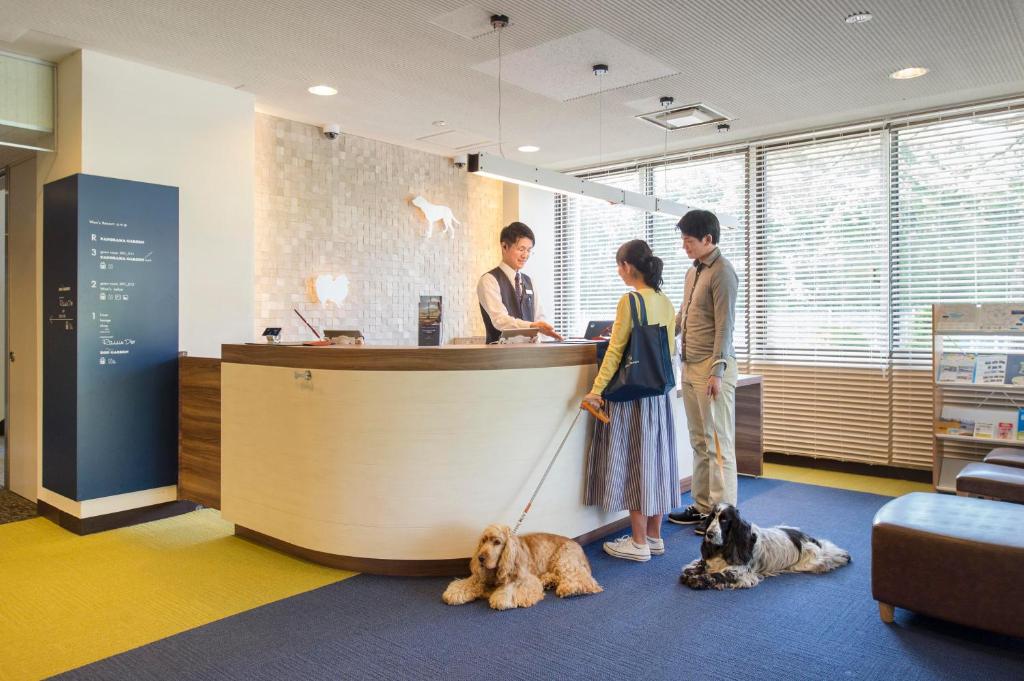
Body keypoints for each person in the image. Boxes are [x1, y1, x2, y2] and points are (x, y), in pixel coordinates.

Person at [582, 240, 679, 562]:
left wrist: (596, 390)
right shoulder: (664, 300)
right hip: (659, 394)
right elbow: (670, 348)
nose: (618, 271)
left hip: (633, 396)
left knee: (636, 461)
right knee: (656, 460)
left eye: (618, 265)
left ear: (626, 266)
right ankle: (654, 536)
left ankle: (637, 543)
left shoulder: (630, 300)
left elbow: (615, 351)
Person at [667, 209, 739, 534]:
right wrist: (662, 334)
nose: (685, 246)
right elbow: (683, 316)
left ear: (708, 239)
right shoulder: (691, 273)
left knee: (718, 443)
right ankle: (701, 506)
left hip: (713, 369)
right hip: (689, 366)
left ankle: (723, 515)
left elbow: (725, 326)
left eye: (690, 240)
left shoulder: (723, 272)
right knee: (698, 440)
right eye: (683, 240)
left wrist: (718, 370)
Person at [477, 222, 563, 343]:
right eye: (521, 249)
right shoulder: (489, 280)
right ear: (504, 247)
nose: (525, 255)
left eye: (529, 250)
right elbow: (500, 320)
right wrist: (531, 326)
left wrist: (547, 338)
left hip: (529, 356)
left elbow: (540, 316)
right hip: (499, 356)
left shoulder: (529, 281)